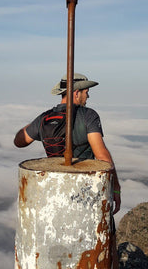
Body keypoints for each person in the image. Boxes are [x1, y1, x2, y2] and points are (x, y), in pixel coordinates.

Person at [14, 73, 121, 214]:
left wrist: (37, 123)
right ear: (76, 93)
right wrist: (115, 188)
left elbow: (19, 141)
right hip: (84, 191)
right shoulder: (88, 116)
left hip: (53, 190)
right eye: (86, 93)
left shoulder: (44, 118)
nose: (88, 97)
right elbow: (102, 157)